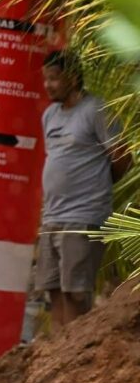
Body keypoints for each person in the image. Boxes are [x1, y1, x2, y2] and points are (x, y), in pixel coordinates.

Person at [38, 50, 131, 329]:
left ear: (73, 78)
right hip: (52, 216)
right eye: (45, 79)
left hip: (83, 217)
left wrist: (97, 186)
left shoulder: (96, 110)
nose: (48, 85)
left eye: (54, 78)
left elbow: (123, 157)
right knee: (53, 289)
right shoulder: (50, 115)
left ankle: (73, 349)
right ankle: (58, 349)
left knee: (76, 292)